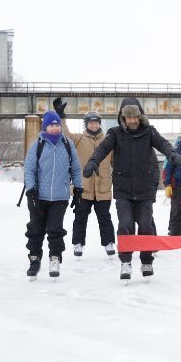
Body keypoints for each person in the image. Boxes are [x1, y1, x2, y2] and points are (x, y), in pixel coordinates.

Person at [82, 98, 181, 281]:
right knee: (125, 225)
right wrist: (93, 162)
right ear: (123, 118)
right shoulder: (115, 133)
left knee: (145, 225)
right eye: (128, 118)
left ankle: (146, 261)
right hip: (123, 189)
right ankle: (126, 262)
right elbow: (102, 149)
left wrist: (172, 154)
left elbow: (163, 144)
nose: (132, 121)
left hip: (144, 189)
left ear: (140, 116)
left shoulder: (149, 132)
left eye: (135, 117)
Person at [53, 98, 116, 257]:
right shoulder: (79, 139)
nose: (94, 125)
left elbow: (116, 161)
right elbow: (65, 135)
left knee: (105, 217)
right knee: (80, 217)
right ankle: (78, 244)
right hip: (83, 187)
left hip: (103, 187)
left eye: (96, 123)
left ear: (100, 124)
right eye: (91, 123)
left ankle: (109, 243)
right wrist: (61, 117)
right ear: (86, 124)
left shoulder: (108, 141)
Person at [23, 111, 83, 279]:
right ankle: (34, 259)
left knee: (55, 229)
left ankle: (55, 258)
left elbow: (76, 168)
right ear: (45, 127)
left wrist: (78, 189)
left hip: (60, 196)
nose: (55, 128)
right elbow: (29, 169)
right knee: (35, 229)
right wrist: (31, 190)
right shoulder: (38, 145)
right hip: (38, 196)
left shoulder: (68, 144)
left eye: (57, 125)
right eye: (51, 125)